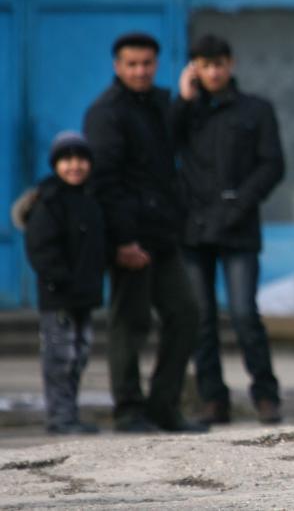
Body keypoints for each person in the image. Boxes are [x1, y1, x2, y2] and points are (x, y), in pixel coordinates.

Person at [84, 32, 206, 433]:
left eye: (147, 64)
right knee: (130, 323)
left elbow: (173, 144)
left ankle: (163, 405)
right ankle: (128, 410)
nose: (140, 71)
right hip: (129, 237)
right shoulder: (106, 112)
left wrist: (186, 101)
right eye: (132, 64)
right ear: (118, 66)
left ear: (156, 64)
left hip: (163, 234)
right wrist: (122, 241)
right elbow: (104, 182)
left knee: (186, 314)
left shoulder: (158, 103)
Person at [171, 35, 286, 425]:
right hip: (193, 229)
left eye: (219, 63)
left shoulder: (256, 110)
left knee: (243, 314)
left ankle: (266, 396)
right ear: (194, 69)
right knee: (200, 317)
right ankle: (212, 400)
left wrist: (239, 202)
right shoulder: (185, 112)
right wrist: (184, 101)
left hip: (238, 227)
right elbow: (161, 147)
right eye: (205, 65)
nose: (214, 72)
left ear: (230, 64)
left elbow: (272, 165)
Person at [15, 131, 104, 435]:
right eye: (67, 160)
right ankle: (59, 417)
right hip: (58, 297)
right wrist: (59, 280)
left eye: (80, 159)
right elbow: (41, 249)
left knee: (79, 355)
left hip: (84, 296)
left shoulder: (91, 198)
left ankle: (70, 414)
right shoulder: (49, 200)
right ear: (55, 164)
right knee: (59, 357)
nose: (74, 166)